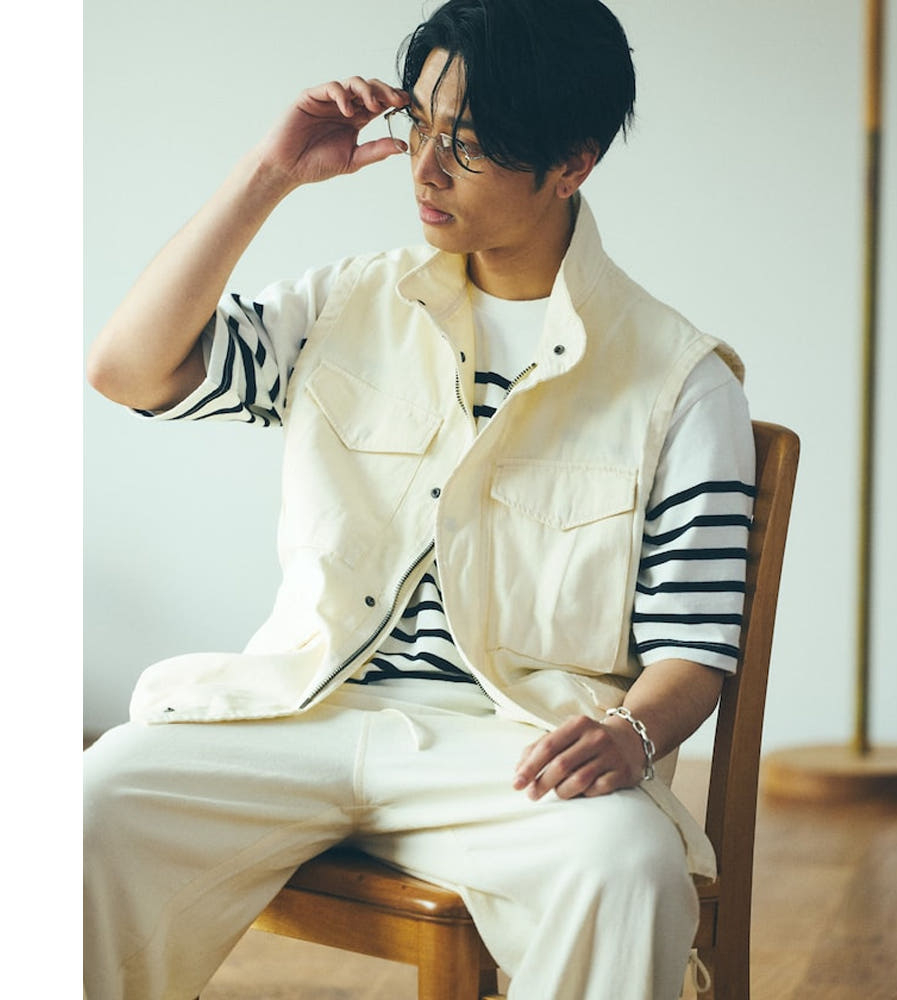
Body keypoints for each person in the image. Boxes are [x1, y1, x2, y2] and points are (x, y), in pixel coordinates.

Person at [83, 1, 755, 997]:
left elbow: (692, 649)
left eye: (467, 145)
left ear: (571, 164)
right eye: (421, 127)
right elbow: (128, 370)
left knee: (627, 867)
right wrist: (268, 174)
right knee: (85, 808)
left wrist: (633, 733)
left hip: (512, 753)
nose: (425, 169)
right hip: (302, 709)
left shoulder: (678, 382)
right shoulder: (350, 303)